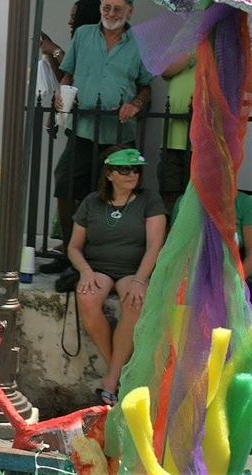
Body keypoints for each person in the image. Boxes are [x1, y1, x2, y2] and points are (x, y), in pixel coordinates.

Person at [42, 0, 153, 275]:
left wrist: (136, 105)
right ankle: (70, 253)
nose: (110, 14)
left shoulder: (139, 41)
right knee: (66, 184)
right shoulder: (83, 35)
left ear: (129, 11)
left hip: (118, 131)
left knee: (117, 194)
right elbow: (68, 74)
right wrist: (62, 93)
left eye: (117, 8)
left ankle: (105, 260)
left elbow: (146, 86)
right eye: (106, 7)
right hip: (83, 128)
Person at [67, 147, 165, 405]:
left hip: (133, 268)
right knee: (86, 298)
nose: (132, 174)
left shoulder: (149, 200)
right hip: (98, 266)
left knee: (135, 302)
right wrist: (85, 271)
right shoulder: (91, 202)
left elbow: (155, 245)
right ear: (109, 175)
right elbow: (73, 247)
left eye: (136, 169)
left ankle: (110, 382)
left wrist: (140, 280)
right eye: (124, 169)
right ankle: (118, 372)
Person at [160, 51, 195, 213]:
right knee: (169, 190)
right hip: (172, 136)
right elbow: (165, 70)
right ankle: (170, 233)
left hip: (202, 140)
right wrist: (193, 48)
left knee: (195, 196)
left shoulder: (223, 40)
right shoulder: (186, 37)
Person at [39, 0, 101, 84]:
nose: (70, 22)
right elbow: (65, 80)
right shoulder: (78, 45)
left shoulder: (98, 45)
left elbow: (78, 75)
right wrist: (51, 53)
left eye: (74, 18)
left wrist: (55, 50)